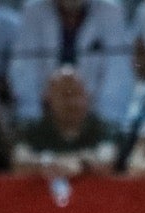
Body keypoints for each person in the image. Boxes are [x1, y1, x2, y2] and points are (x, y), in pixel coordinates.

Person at [10, 0, 135, 128]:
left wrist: (104, 127)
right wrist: (32, 124)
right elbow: (23, 73)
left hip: (94, 120)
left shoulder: (111, 11)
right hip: (45, 118)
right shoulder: (33, 10)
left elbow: (119, 75)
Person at [13, 64, 121, 177]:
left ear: (87, 96)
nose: (71, 102)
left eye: (76, 94)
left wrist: (80, 164)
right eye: (64, 95)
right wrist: (50, 163)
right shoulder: (31, 129)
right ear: (48, 99)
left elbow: (107, 161)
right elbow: (19, 162)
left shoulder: (105, 128)